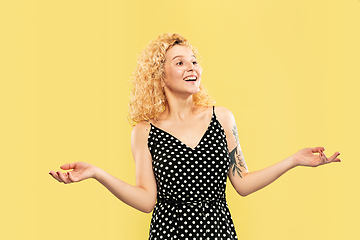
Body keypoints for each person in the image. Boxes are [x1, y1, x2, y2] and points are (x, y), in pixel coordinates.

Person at [49, 33, 341, 239]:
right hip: (169, 233)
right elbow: (147, 201)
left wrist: (294, 160)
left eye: (194, 61)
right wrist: (97, 173)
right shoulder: (143, 133)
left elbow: (242, 182)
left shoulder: (222, 119)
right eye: (179, 62)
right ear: (160, 75)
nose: (192, 68)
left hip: (219, 232)